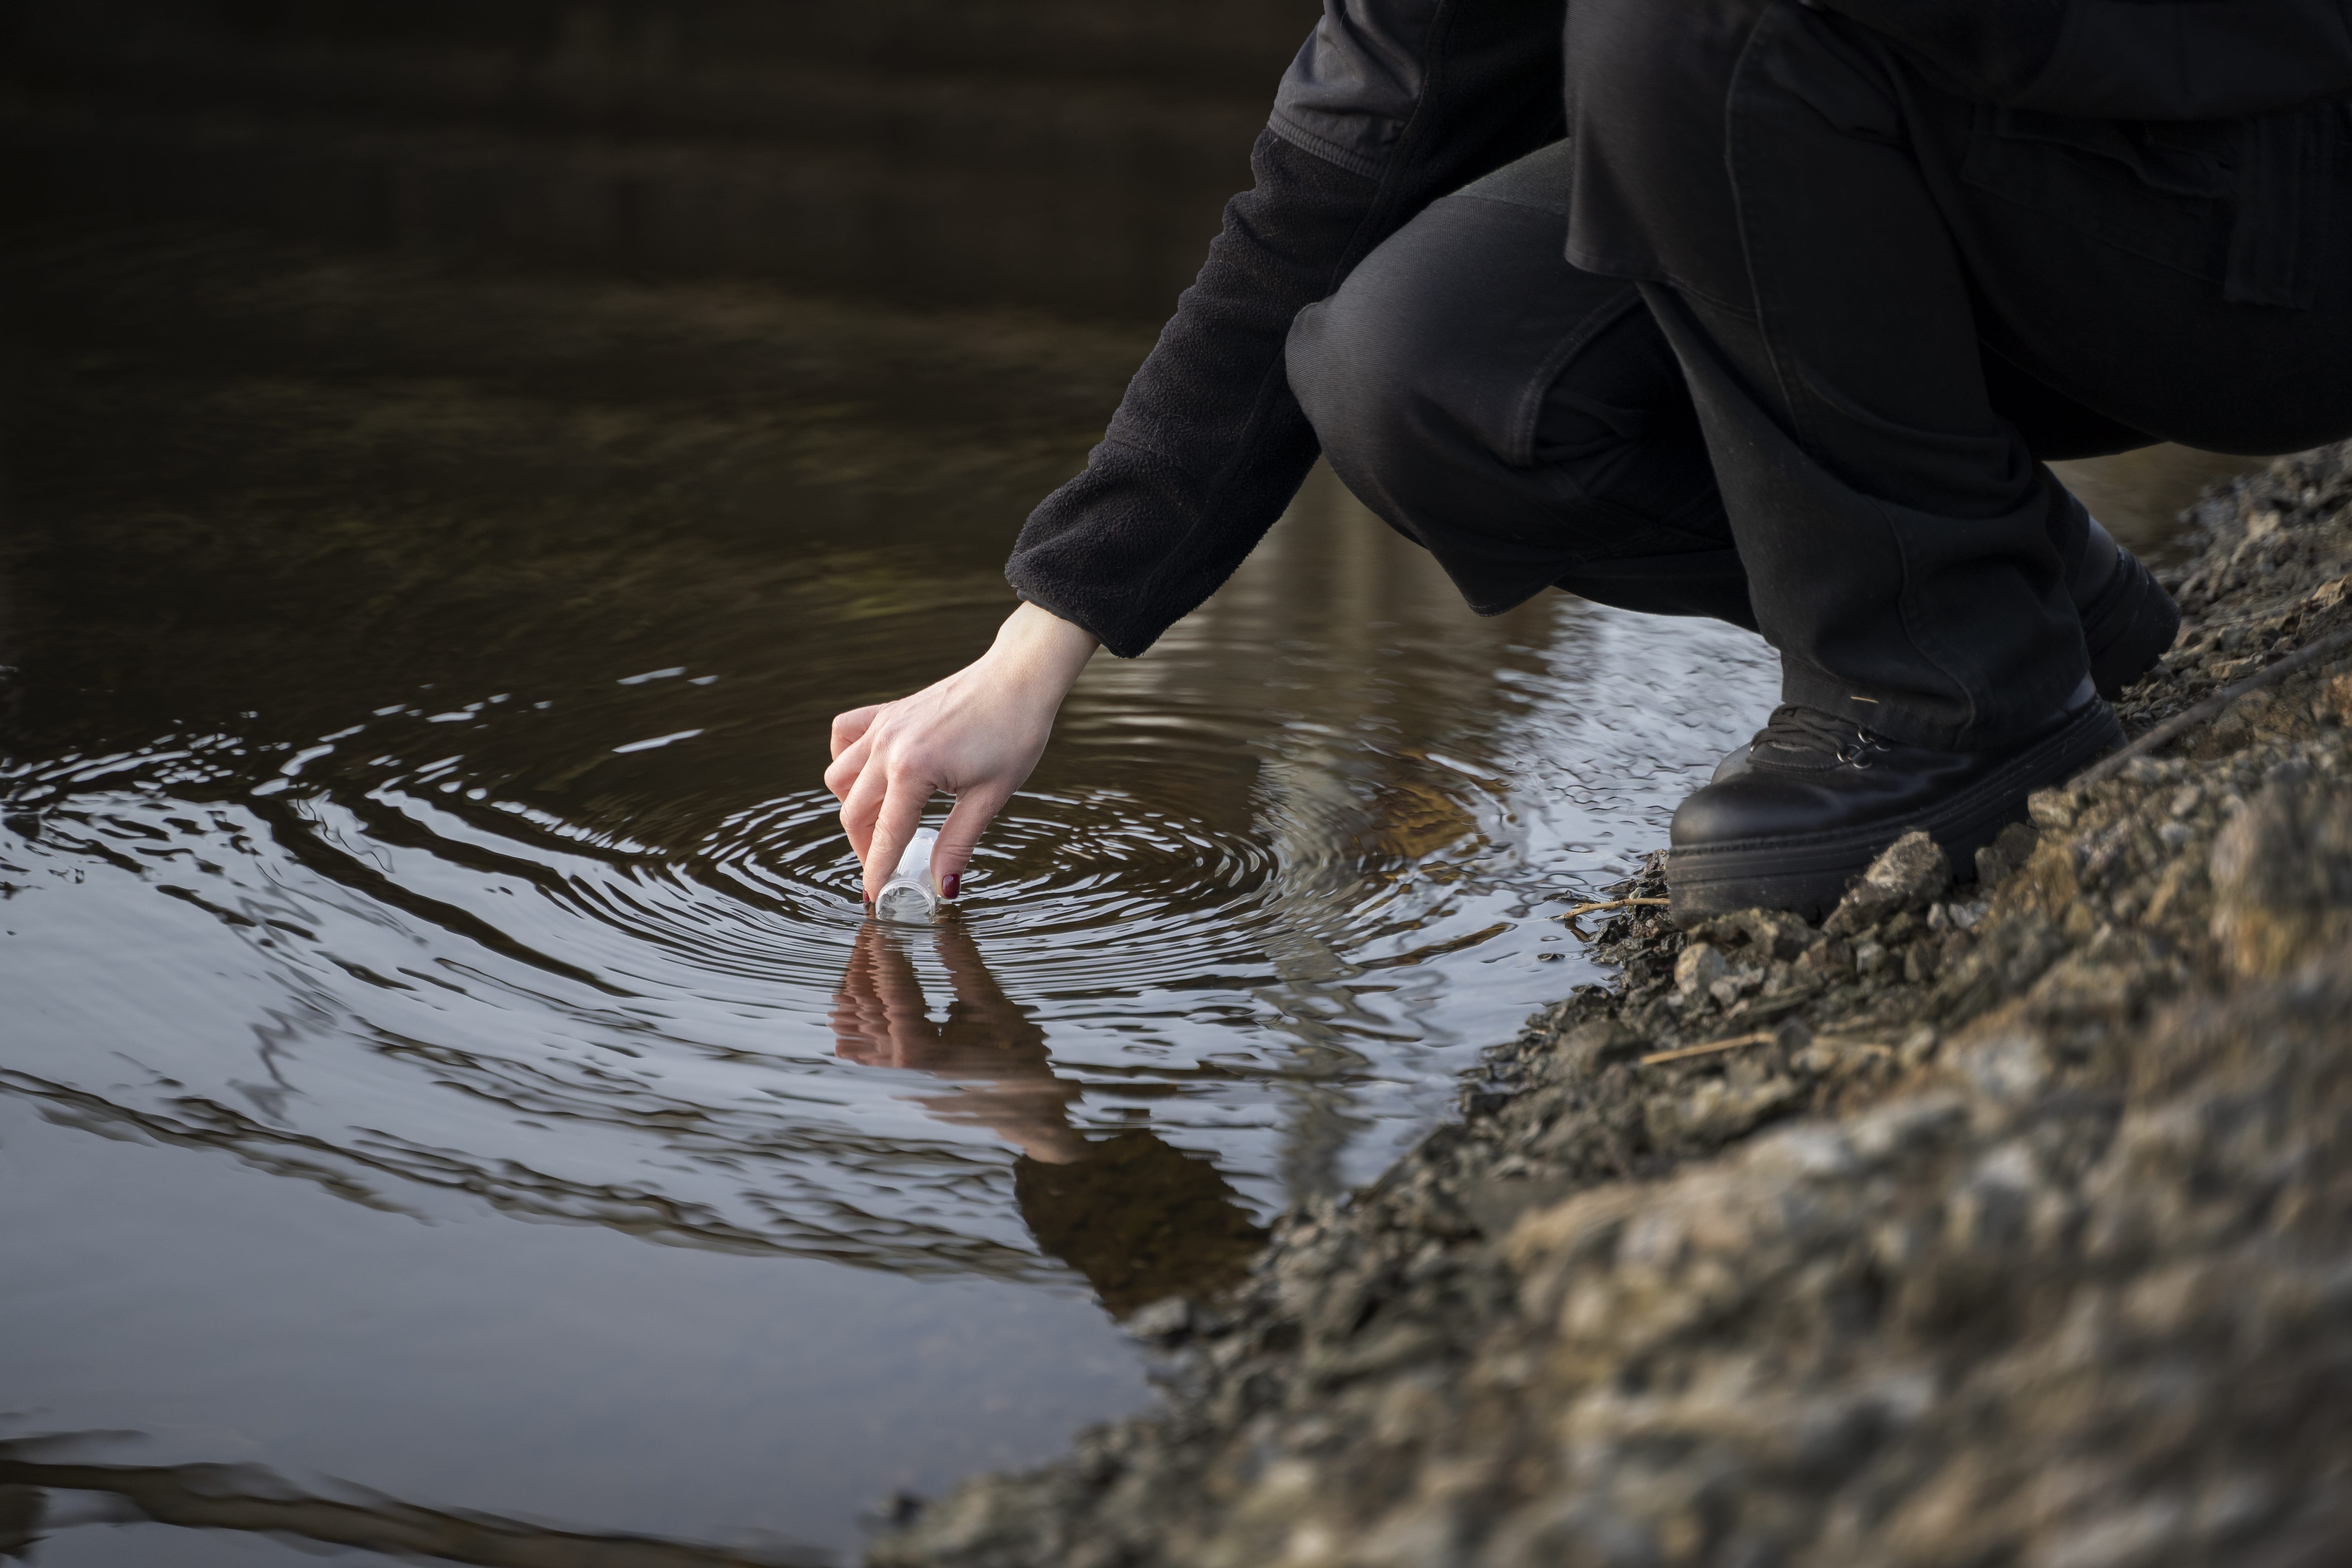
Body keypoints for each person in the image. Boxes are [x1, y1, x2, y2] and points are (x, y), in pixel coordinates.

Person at [828, 0, 2352, 919]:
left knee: (1680, 19)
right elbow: (1338, 169)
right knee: (1421, 366)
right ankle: (2005, 600)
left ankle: (1940, 706)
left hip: (2262, 209)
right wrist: (1042, 646)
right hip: (1986, 204)